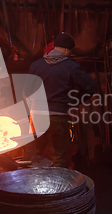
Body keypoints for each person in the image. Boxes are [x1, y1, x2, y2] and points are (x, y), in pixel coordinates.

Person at [25, 32, 96, 168]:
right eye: (70, 51)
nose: (70, 54)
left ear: (54, 47)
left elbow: (26, 92)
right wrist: (75, 101)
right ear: (66, 49)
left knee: (34, 157)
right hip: (59, 116)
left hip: (37, 117)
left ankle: (30, 187)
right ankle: (58, 187)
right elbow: (90, 86)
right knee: (58, 158)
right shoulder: (70, 67)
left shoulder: (36, 66)